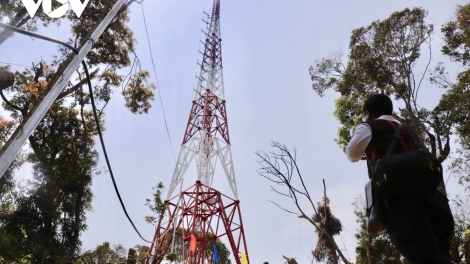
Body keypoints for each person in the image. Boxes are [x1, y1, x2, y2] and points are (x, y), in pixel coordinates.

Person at [346, 94, 454, 263]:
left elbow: (351, 154)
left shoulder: (368, 126)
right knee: (441, 256)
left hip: (401, 207)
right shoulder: (407, 130)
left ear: (367, 113)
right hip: (436, 202)